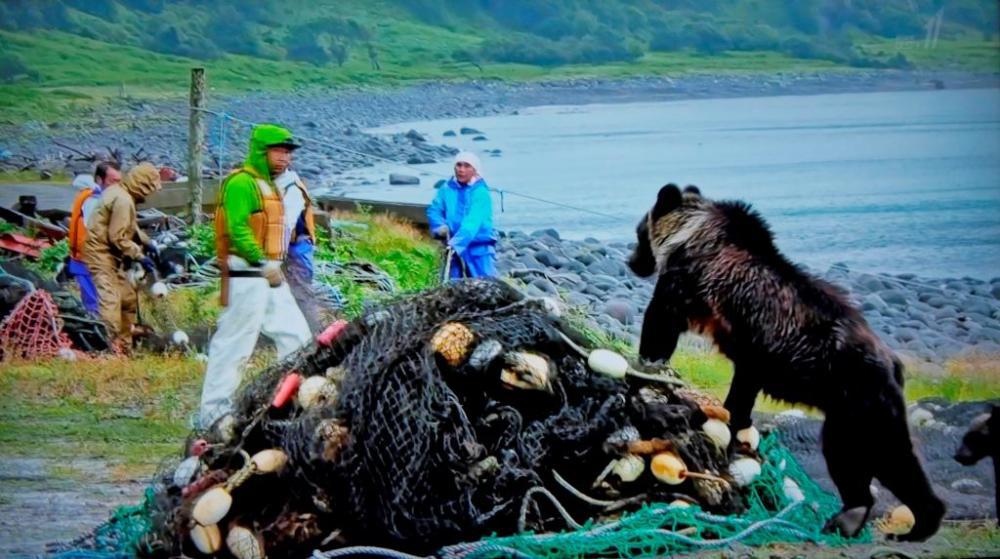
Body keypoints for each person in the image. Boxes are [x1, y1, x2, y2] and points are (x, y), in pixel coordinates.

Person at [200, 124, 311, 433]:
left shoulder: (270, 186)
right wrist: (262, 261)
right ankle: (213, 414)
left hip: (270, 276)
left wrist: (271, 266)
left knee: (297, 338)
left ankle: (288, 403)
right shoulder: (241, 184)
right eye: (279, 151)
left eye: (288, 152)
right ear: (261, 151)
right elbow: (237, 227)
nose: (285, 157)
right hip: (246, 274)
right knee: (234, 344)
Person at [82, 162, 161, 347]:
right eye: (148, 189)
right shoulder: (123, 200)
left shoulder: (120, 192)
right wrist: (140, 256)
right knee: (111, 301)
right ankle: (110, 346)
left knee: (127, 297)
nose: (148, 195)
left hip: (112, 256)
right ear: (141, 185)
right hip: (101, 255)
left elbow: (129, 226)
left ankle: (125, 343)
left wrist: (148, 243)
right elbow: (117, 236)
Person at [427, 151, 497, 280]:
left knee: (487, 286)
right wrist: (440, 226)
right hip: (453, 247)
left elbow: (472, 223)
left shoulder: (480, 193)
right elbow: (434, 210)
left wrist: (456, 244)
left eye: (466, 166)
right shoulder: (446, 189)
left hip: (479, 249)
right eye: (458, 165)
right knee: (452, 286)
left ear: (475, 170)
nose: (461, 170)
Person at [67, 162, 121, 314]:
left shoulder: (103, 197)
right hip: (89, 260)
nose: (116, 186)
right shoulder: (93, 201)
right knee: (95, 306)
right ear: (99, 179)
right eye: (112, 181)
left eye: (118, 181)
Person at [275, 168, 322, 333]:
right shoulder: (272, 184)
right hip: (284, 246)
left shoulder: (291, 186)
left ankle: (313, 332)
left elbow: (287, 223)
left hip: (297, 245)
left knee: (301, 291)